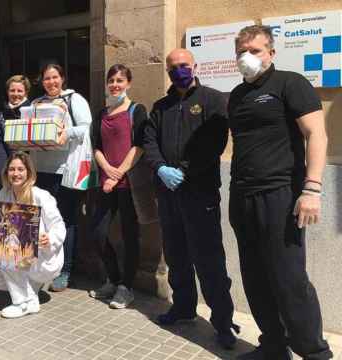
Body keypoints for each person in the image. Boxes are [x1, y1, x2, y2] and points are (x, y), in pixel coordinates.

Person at [228, 25, 333, 360]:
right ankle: (273, 346)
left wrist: (312, 189)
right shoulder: (236, 95)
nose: (247, 57)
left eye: (255, 50)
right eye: (241, 51)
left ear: (271, 52)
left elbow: (316, 134)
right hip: (243, 196)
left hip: (280, 195)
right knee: (255, 277)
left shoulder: (291, 83)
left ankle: (315, 353)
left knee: (288, 280)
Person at [142, 49, 238, 349]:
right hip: (168, 193)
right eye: (173, 67)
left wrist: (184, 170)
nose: (178, 71)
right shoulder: (161, 106)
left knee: (209, 260)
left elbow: (215, 141)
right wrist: (161, 168)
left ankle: (222, 322)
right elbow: (149, 141)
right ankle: (183, 308)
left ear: (194, 66)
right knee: (176, 255)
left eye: (183, 65)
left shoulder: (213, 99)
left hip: (199, 192)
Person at [0, 152, 66, 318]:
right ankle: (30, 291)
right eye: (12, 169)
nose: (16, 173)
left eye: (20, 169)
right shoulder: (4, 193)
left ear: (29, 172)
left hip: (43, 258)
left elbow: (59, 226)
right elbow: (0, 225)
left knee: (10, 251)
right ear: (6, 172)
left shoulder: (41, 195)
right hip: (18, 255)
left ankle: (22, 303)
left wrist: (50, 238)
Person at [87, 64, 146, 309]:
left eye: (120, 80)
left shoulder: (137, 110)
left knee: (130, 236)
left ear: (128, 83)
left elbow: (139, 146)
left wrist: (119, 172)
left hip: (129, 184)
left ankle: (126, 287)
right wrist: (107, 171)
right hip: (106, 184)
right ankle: (112, 279)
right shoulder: (101, 113)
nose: (114, 84)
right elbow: (96, 146)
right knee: (98, 233)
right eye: (111, 80)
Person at [30, 63, 92, 292]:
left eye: (55, 77)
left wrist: (67, 133)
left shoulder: (74, 100)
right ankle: (46, 267)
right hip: (40, 170)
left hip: (65, 171)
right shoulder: (36, 103)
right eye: (46, 78)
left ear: (62, 79)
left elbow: (87, 128)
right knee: (43, 221)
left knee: (66, 221)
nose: (51, 82)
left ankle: (65, 270)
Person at [0, 75, 32, 175]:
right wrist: (2, 172)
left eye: (19, 91)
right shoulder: (1, 116)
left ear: (26, 93)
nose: (15, 94)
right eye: (12, 90)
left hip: (30, 169)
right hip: (9, 170)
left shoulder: (33, 113)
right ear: (7, 92)